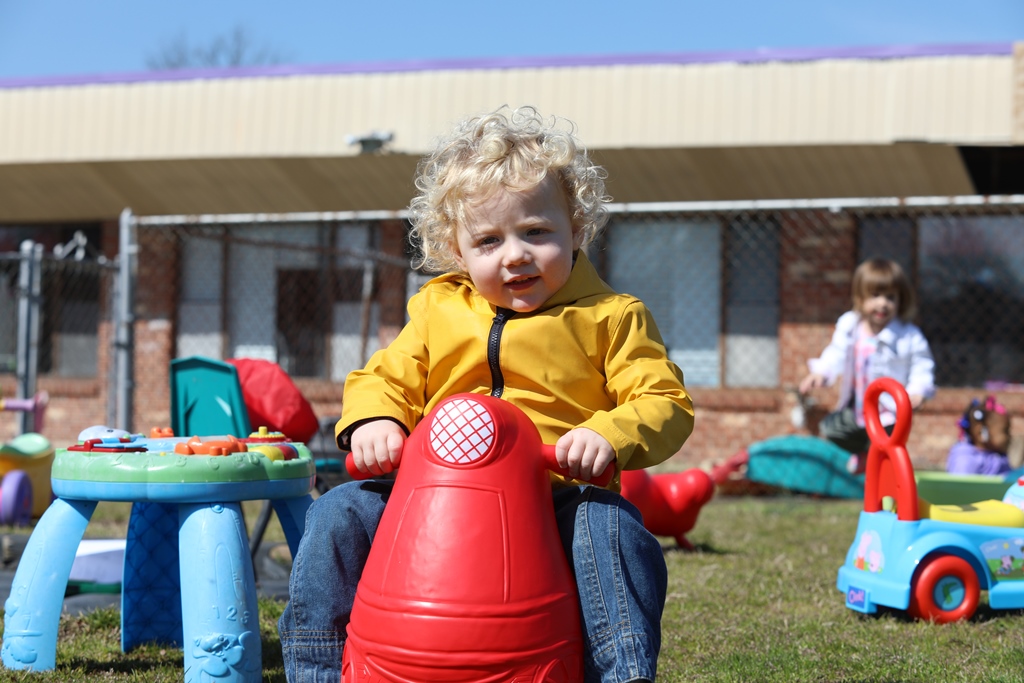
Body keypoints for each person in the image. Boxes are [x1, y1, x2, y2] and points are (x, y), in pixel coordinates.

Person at [278, 106, 695, 683]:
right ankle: (317, 669)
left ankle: (619, 672)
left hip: (553, 498)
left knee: (614, 529)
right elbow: (385, 375)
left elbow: (664, 402)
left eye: (536, 232)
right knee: (337, 513)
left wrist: (606, 434)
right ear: (458, 250)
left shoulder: (610, 318)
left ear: (576, 226)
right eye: (489, 240)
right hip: (426, 497)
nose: (515, 254)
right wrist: (376, 420)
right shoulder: (436, 310)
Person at [798, 258, 935, 456]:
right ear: (860, 298)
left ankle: (876, 462)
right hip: (857, 408)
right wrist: (822, 372)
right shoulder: (851, 326)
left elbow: (921, 364)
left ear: (900, 300)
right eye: (875, 295)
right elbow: (836, 352)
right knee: (830, 429)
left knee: (885, 448)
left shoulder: (908, 335)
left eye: (890, 297)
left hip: (888, 411)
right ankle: (864, 455)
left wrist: (917, 391)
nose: (882, 303)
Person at [946, 395, 1011, 475]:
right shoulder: (965, 462)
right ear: (980, 433)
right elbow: (959, 487)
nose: (1009, 437)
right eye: (1005, 431)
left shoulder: (1000, 459)